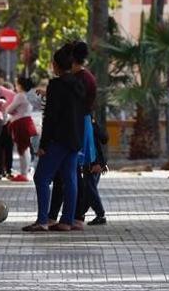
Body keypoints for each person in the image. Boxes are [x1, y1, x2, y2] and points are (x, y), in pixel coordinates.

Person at [22, 46, 86, 232]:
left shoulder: (56, 86)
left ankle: (43, 220)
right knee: (70, 178)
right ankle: (67, 220)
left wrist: (43, 144)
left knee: (41, 177)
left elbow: (51, 117)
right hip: (74, 139)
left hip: (58, 139)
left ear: (56, 65)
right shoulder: (79, 84)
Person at [48, 41, 105, 228]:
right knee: (71, 173)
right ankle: (67, 215)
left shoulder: (79, 79)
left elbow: (72, 106)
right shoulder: (83, 77)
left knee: (72, 173)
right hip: (79, 124)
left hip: (76, 126)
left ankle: (73, 215)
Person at [6, 77, 38, 181]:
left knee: (22, 149)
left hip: (20, 123)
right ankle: (25, 172)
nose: (15, 86)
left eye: (16, 84)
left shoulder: (20, 96)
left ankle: (23, 174)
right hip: (27, 121)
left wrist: (7, 108)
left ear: (20, 85)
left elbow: (9, 109)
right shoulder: (29, 96)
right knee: (26, 149)